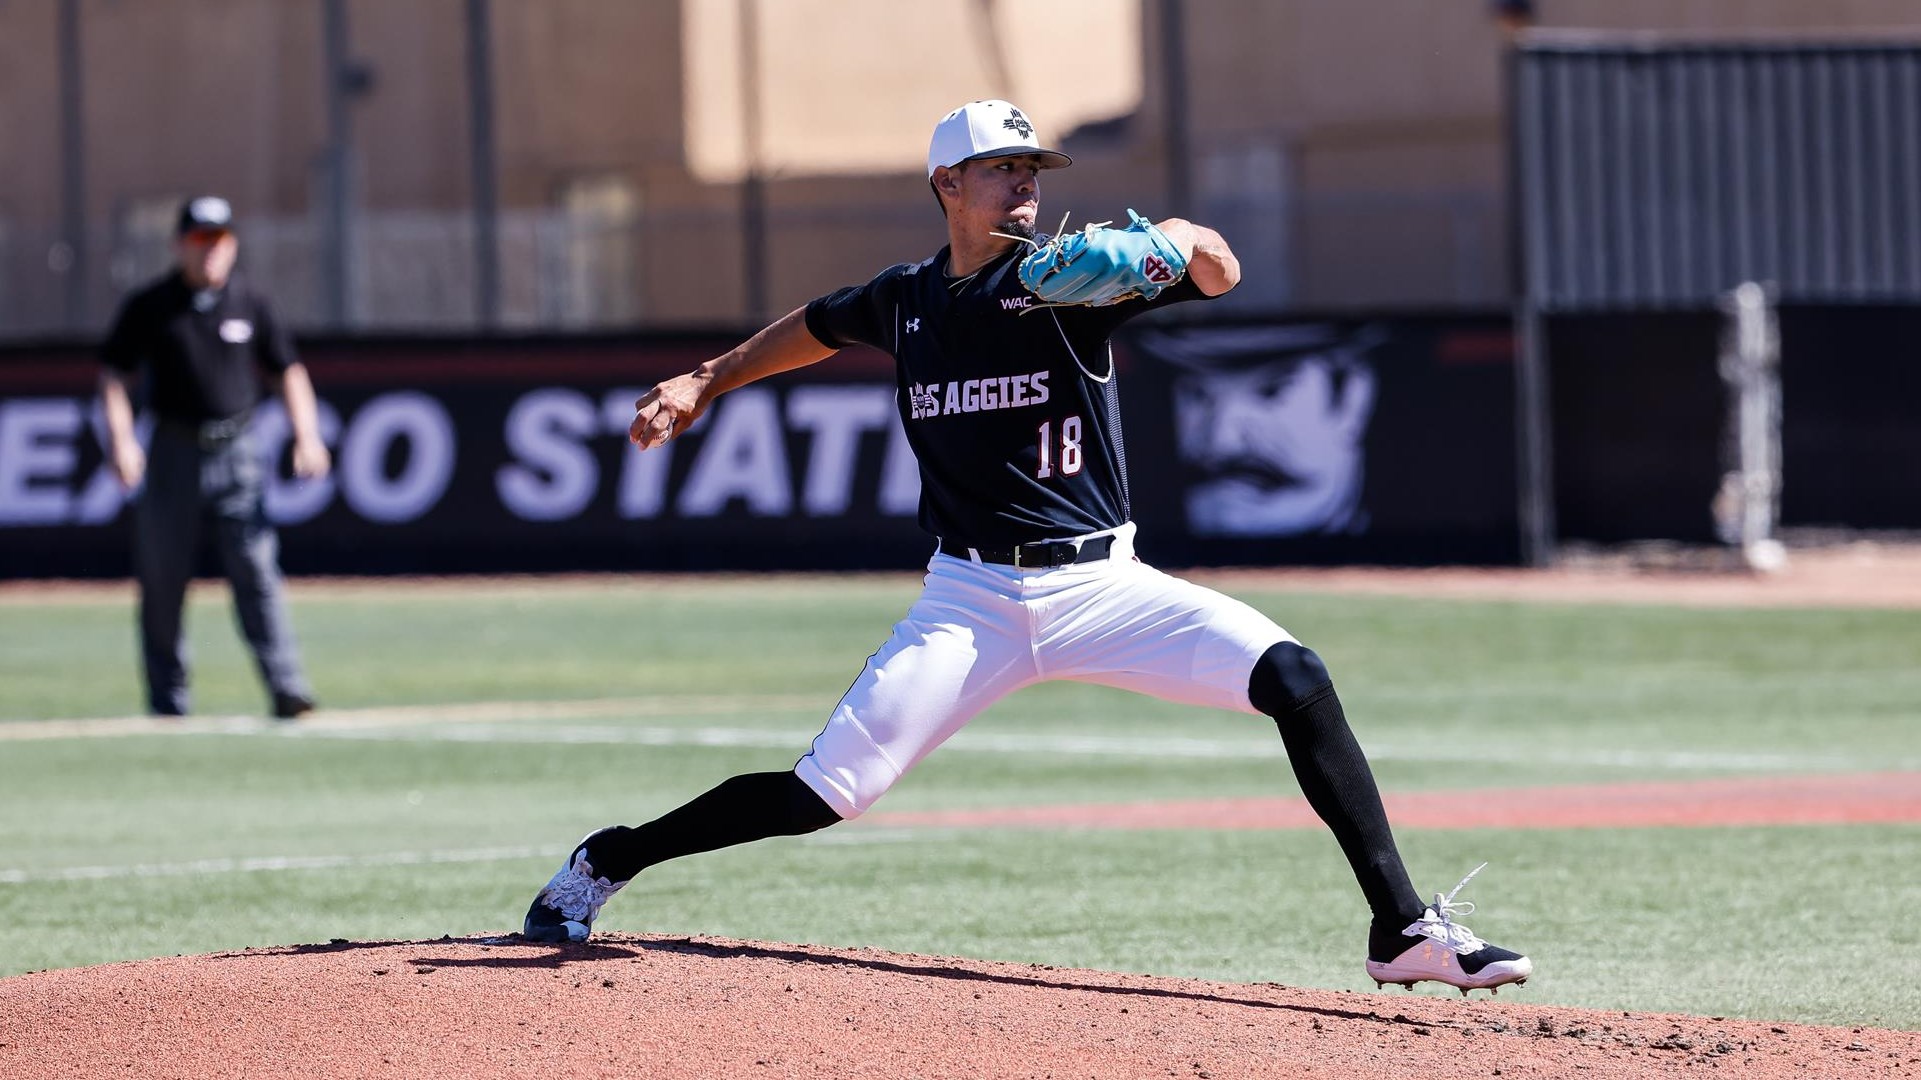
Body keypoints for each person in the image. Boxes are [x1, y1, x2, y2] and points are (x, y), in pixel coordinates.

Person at [522, 100, 1533, 993]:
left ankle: (1401, 928)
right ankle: (611, 858)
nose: (1022, 185)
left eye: (1031, 170)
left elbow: (1215, 268)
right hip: (969, 604)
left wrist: (1178, 241)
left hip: (1106, 585)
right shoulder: (906, 299)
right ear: (947, 185)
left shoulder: (1069, 281)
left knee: (1295, 675)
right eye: (1003, 168)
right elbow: (816, 326)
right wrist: (704, 380)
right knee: (824, 794)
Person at [98, 195, 329, 720]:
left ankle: (286, 685)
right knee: (162, 578)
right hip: (174, 450)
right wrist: (122, 439)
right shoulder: (152, 306)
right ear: (180, 245)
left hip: (237, 450)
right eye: (200, 240)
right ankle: (168, 698)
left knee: (255, 567)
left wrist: (307, 435)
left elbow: (287, 370)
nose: (210, 251)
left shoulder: (251, 303)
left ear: (232, 245)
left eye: (219, 240)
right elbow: (114, 373)